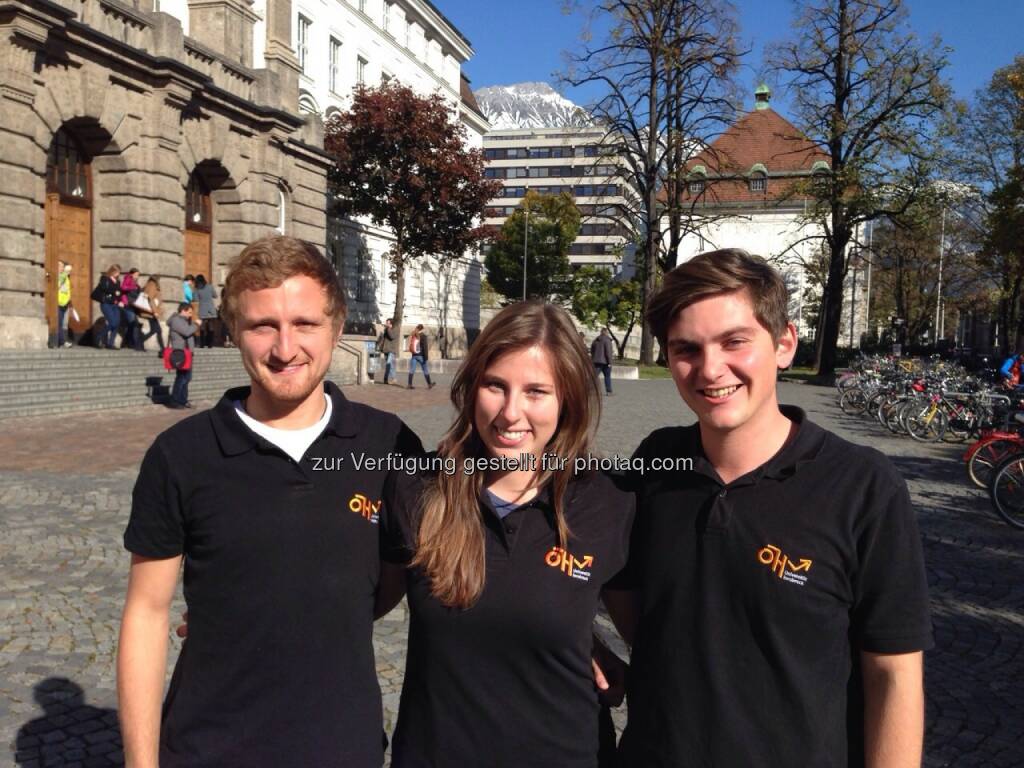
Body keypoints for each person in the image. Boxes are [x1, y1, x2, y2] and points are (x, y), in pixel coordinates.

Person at [603, 249, 932, 767]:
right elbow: (592, 567)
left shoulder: (862, 486)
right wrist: (575, 642)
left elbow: (894, 673)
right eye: (687, 348)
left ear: (784, 344)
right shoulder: (656, 461)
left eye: (734, 341)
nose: (711, 369)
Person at [117, 235, 423, 768]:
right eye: (263, 326)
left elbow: (402, 576)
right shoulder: (181, 454)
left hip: (343, 748)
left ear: (336, 326)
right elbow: (146, 613)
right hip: (208, 749)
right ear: (234, 329)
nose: (285, 349)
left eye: (305, 324)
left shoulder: (389, 444)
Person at [378, 300, 634, 767]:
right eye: (495, 385)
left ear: (568, 399)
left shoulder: (611, 502)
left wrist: (582, 638)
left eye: (536, 391)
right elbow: (356, 603)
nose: (511, 412)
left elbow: (655, 635)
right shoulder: (415, 488)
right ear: (472, 386)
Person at [166, 302, 199, 409]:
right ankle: (175, 401)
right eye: (189, 312)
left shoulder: (184, 320)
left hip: (187, 353)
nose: (191, 315)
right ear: (183, 311)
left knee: (187, 378)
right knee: (181, 378)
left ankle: (183, 400)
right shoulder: (176, 320)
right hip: (180, 353)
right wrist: (196, 324)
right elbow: (186, 332)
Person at [94, 264, 122, 350]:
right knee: (112, 323)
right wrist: (114, 292)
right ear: (112, 271)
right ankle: (98, 337)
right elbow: (104, 288)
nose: (118, 274)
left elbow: (119, 292)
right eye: (117, 272)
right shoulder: (105, 278)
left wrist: (120, 300)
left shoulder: (118, 281)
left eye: (119, 272)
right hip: (106, 304)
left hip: (115, 304)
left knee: (117, 324)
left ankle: (110, 343)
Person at [137, 277, 165, 354]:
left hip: (151, 312)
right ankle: (139, 341)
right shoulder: (152, 285)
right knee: (157, 330)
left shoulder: (151, 284)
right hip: (150, 312)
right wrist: (155, 311)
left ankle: (162, 348)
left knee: (155, 330)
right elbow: (151, 299)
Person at [119, 267, 144, 351]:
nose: (137, 276)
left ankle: (127, 343)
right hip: (128, 304)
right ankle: (132, 343)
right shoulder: (128, 279)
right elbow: (123, 288)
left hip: (133, 305)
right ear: (132, 274)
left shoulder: (134, 282)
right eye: (136, 274)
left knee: (131, 324)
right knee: (133, 323)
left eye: (138, 275)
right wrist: (132, 288)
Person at [406, 324, 435, 389]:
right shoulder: (423, 336)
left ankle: (409, 384)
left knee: (412, 370)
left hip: (414, 355)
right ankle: (429, 384)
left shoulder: (414, 334)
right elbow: (425, 347)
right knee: (425, 370)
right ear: (422, 329)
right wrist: (426, 357)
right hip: (421, 356)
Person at [194, 274, 219, 347]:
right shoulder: (210, 286)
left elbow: (196, 299)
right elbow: (215, 296)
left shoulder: (196, 289)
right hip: (211, 308)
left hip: (202, 309)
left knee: (202, 326)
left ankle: (202, 344)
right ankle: (210, 344)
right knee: (211, 326)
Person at [590, 327, 614, 396]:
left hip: (596, 361)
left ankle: (589, 390)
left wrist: (594, 358)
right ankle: (609, 391)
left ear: (601, 332)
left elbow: (592, 350)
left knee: (594, 377)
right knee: (607, 377)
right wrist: (610, 362)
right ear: (606, 332)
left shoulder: (596, 340)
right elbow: (608, 352)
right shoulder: (607, 340)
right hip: (606, 362)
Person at [56, 260, 73, 348]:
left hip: (64, 303)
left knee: (62, 323)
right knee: (58, 322)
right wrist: (64, 274)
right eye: (61, 266)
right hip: (57, 302)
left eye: (63, 266)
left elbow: (67, 290)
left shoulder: (65, 277)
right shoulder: (58, 276)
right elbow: (57, 285)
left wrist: (69, 301)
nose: (62, 268)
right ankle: (61, 341)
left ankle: (61, 341)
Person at [377, 317, 397, 385]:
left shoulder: (394, 330)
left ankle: (392, 378)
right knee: (389, 365)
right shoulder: (386, 330)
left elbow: (392, 337)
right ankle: (386, 380)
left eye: (388, 323)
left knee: (389, 364)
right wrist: (380, 347)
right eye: (386, 323)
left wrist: (388, 328)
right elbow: (383, 340)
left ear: (391, 324)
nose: (386, 324)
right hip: (385, 350)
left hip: (391, 350)